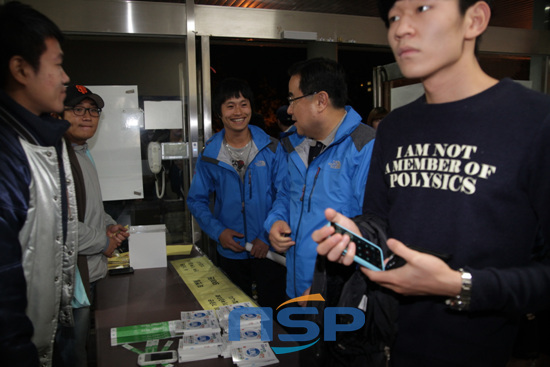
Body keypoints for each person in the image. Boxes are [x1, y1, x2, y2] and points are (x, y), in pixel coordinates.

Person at [312, 0, 550, 366]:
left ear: (475, 19)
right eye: (393, 16)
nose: (400, 28)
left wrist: (458, 285)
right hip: (386, 343)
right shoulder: (394, 127)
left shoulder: (535, 122)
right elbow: (380, 219)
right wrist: (355, 236)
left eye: (422, 8)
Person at [0, 2, 76, 366]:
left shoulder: (43, 139)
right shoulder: (7, 154)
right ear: (20, 68)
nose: (65, 78)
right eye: (57, 63)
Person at [265, 57, 376, 300]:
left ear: (321, 100)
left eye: (293, 99)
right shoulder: (294, 144)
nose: (289, 110)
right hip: (295, 289)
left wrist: (327, 291)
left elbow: (373, 233)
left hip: (336, 299)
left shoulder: (365, 147)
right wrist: (275, 221)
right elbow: (285, 195)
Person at [187, 77, 286, 309]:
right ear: (220, 113)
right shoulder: (210, 153)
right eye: (230, 106)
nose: (238, 111)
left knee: (276, 316)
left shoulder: (271, 148)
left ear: (251, 107)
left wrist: (266, 235)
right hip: (231, 250)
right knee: (236, 316)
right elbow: (196, 200)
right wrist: (218, 232)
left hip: (269, 251)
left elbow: (286, 196)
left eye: (243, 104)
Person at [60, 84, 129, 367]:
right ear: (56, 113)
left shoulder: (81, 152)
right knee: (71, 355)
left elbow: (90, 209)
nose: (87, 116)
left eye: (93, 110)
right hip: (68, 283)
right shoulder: (57, 158)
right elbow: (60, 226)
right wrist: (104, 242)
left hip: (86, 273)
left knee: (83, 349)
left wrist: (109, 225)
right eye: (77, 109)